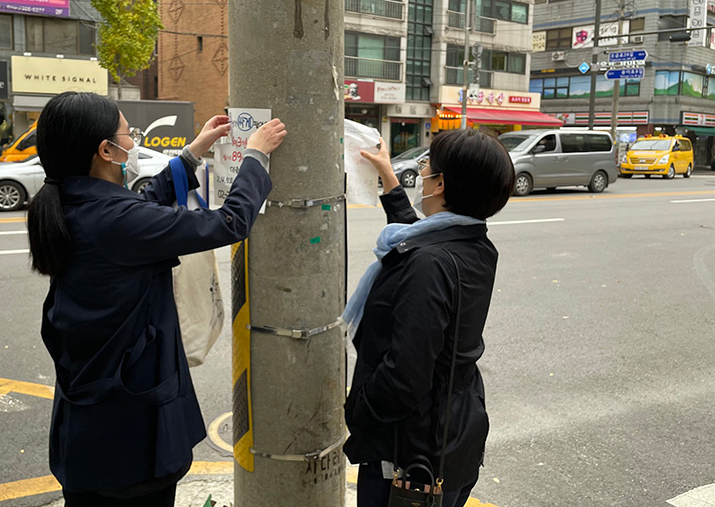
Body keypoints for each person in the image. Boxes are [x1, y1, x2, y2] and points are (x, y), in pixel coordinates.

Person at [27, 92, 286, 506]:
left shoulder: (71, 205)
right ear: (105, 150)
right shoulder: (116, 221)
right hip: (131, 441)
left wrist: (191, 155)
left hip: (86, 434)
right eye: (129, 135)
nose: (134, 144)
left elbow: (143, 210)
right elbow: (229, 222)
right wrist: (254, 157)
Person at [343, 128, 515, 507]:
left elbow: (405, 375)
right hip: (452, 433)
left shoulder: (429, 263)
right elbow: (420, 238)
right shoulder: (474, 244)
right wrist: (390, 179)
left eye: (426, 167)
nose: (421, 172)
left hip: (410, 452)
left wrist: (358, 411)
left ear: (440, 184)